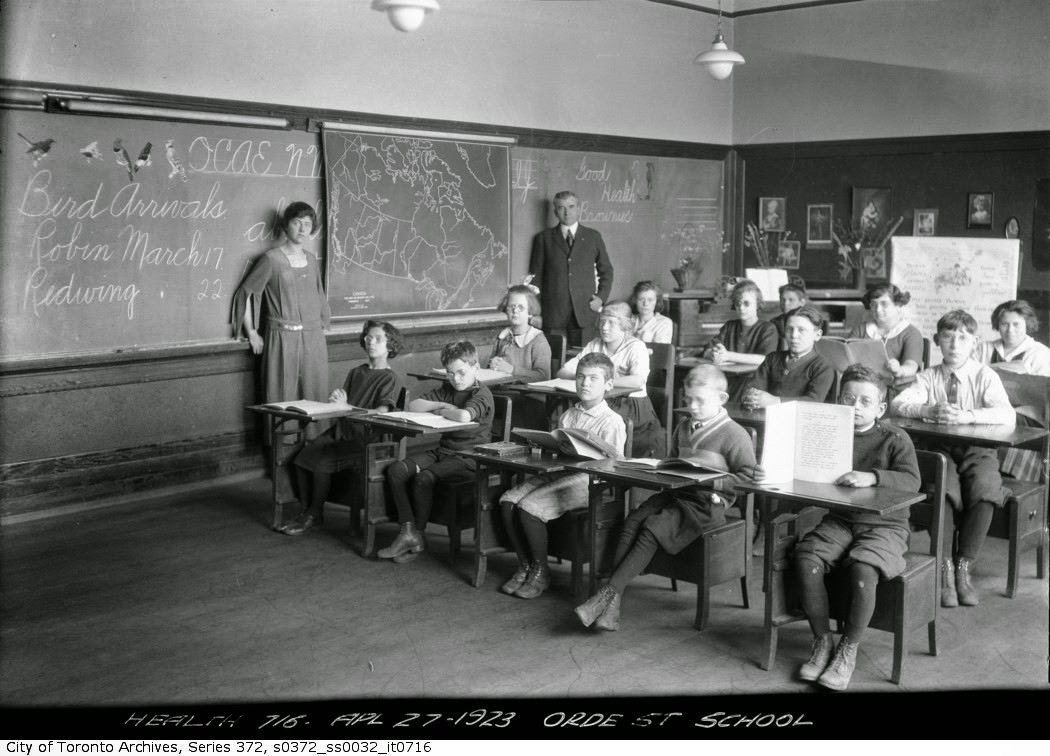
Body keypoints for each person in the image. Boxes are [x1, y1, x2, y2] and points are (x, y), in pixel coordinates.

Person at [573, 364, 757, 631]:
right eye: (688, 400)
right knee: (632, 520)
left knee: (651, 528)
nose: (692, 406)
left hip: (708, 503)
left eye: (700, 401)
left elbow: (748, 478)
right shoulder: (683, 426)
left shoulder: (734, 434)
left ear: (722, 399)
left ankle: (606, 596)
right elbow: (673, 461)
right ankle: (611, 602)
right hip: (679, 492)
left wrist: (715, 480)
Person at [791, 364, 921, 690]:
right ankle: (822, 642)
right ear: (838, 400)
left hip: (885, 524)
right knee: (807, 558)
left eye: (865, 402)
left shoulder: (895, 438)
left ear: (881, 408)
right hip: (842, 518)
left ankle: (847, 649)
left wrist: (874, 476)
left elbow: (911, 481)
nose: (855, 407)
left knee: (864, 568)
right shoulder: (829, 432)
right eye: (848, 399)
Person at [890, 310, 1016, 608]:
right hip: (941, 447)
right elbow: (898, 404)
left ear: (974, 343)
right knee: (944, 491)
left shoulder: (985, 375)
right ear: (937, 341)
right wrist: (927, 410)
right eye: (947, 337)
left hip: (978, 447)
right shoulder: (928, 376)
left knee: (986, 489)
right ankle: (945, 567)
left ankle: (964, 566)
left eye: (962, 338)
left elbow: (1007, 414)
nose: (954, 344)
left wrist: (967, 415)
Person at [499, 353, 627, 600]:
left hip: (590, 482)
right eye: (580, 377)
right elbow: (558, 449)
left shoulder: (612, 421)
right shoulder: (569, 414)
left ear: (608, 385)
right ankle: (525, 564)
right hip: (560, 472)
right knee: (508, 500)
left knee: (528, 507)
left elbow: (615, 466)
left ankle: (541, 571)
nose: (585, 383)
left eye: (593, 378)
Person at [284, 320, 406, 536]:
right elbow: (344, 405)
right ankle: (307, 510)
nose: (371, 342)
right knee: (301, 458)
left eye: (378, 339)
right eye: (368, 338)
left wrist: (346, 406)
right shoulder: (356, 372)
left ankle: (314, 514)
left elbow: (381, 412)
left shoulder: (390, 378)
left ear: (390, 345)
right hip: (342, 432)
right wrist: (338, 400)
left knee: (321, 463)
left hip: (366, 440)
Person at [377, 341, 494, 563]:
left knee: (423, 478)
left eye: (461, 372)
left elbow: (464, 416)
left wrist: (444, 409)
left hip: (469, 457)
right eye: (450, 374)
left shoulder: (482, 394)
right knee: (397, 470)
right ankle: (408, 531)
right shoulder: (449, 389)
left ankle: (417, 534)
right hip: (444, 451)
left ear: (476, 367)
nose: (456, 379)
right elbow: (415, 405)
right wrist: (443, 406)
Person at [231, 202, 330, 408]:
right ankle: (283, 440)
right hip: (282, 339)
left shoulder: (311, 260)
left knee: (315, 393)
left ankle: (312, 439)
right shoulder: (271, 259)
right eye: (296, 223)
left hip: (313, 340)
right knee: (282, 395)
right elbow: (246, 293)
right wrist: (252, 332)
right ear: (285, 226)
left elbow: (318, 297)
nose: (302, 229)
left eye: (307, 223)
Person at [558, 301, 666, 458]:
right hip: (601, 401)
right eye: (602, 321)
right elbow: (563, 371)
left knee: (599, 428)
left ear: (625, 325)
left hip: (632, 407)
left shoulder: (636, 347)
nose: (604, 327)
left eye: (611, 323)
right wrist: (590, 377)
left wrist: (600, 380)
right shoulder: (595, 345)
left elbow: (638, 381)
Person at [528, 190, 614, 347]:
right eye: (561, 208)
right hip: (552, 313)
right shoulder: (544, 239)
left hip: (584, 312)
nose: (567, 212)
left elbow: (606, 271)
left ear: (579, 209)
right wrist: (537, 312)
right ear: (555, 212)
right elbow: (535, 280)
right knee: (551, 359)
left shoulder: (592, 237)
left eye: (571, 206)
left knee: (583, 360)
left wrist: (601, 298)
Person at [742, 305, 835, 409]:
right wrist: (751, 396)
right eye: (789, 329)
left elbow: (813, 402)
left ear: (817, 335)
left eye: (801, 330)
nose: (794, 335)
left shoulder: (822, 367)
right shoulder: (772, 359)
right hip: (764, 418)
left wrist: (776, 402)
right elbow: (754, 388)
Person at [486, 284, 552, 429]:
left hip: (529, 399)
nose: (515, 311)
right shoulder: (503, 337)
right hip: (503, 393)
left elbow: (543, 376)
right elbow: (490, 368)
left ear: (530, 312)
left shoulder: (537, 340)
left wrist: (511, 370)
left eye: (521, 308)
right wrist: (491, 366)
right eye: (511, 307)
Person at [849, 284, 924, 384]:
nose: (878, 309)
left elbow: (911, 366)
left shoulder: (911, 333)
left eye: (884, 304)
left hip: (896, 387)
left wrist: (899, 370)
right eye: (873, 304)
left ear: (898, 305)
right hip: (861, 385)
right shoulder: (861, 329)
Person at [705, 279, 779, 367]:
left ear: (757, 304)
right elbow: (708, 349)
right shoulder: (729, 326)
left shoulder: (768, 329)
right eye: (737, 304)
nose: (741, 308)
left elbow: (764, 358)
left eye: (746, 303)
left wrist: (728, 356)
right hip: (728, 375)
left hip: (754, 378)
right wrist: (713, 354)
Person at [977, 299, 1050, 375]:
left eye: (1016, 324)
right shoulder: (983, 349)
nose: (1010, 330)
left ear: (1027, 324)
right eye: (1004, 324)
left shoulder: (1041, 353)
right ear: (997, 325)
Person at [771, 282, 807, 351]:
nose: (785, 303)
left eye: (791, 300)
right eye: (783, 299)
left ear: (802, 302)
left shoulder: (808, 323)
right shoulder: (774, 322)